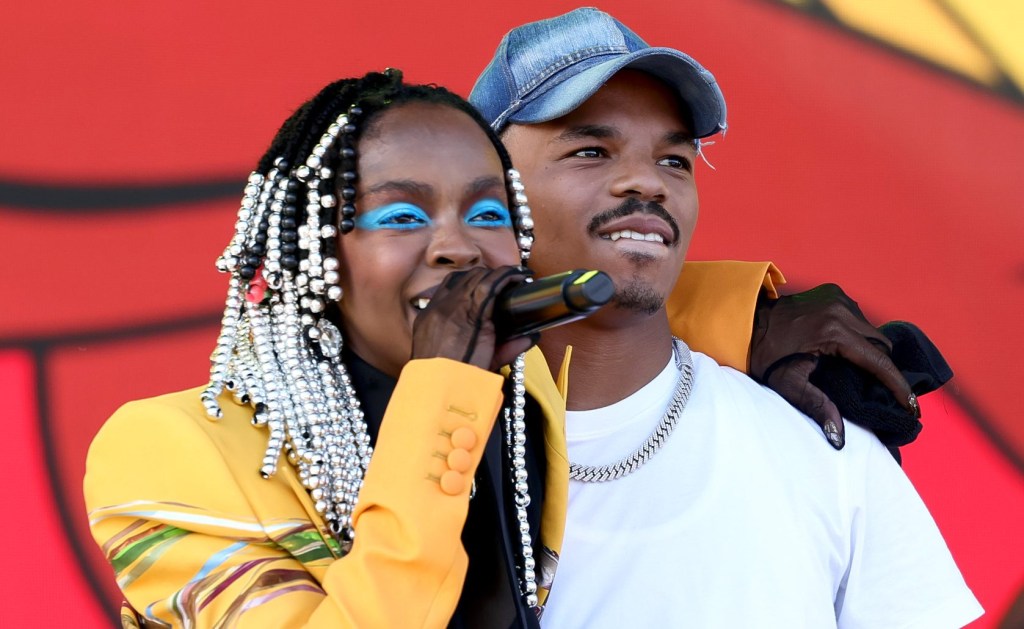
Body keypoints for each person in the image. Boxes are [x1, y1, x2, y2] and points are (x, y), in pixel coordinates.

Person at [84, 70, 835, 628]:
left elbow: (606, 304)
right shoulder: (164, 450)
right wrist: (439, 386)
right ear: (312, 254)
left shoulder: (518, 387)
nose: (456, 246)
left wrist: (754, 314)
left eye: (486, 211)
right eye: (402, 213)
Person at [467, 8, 982, 627]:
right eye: (590, 150)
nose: (647, 182)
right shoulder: (396, 447)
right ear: (484, 199)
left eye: (675, 160)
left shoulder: (823, 448)